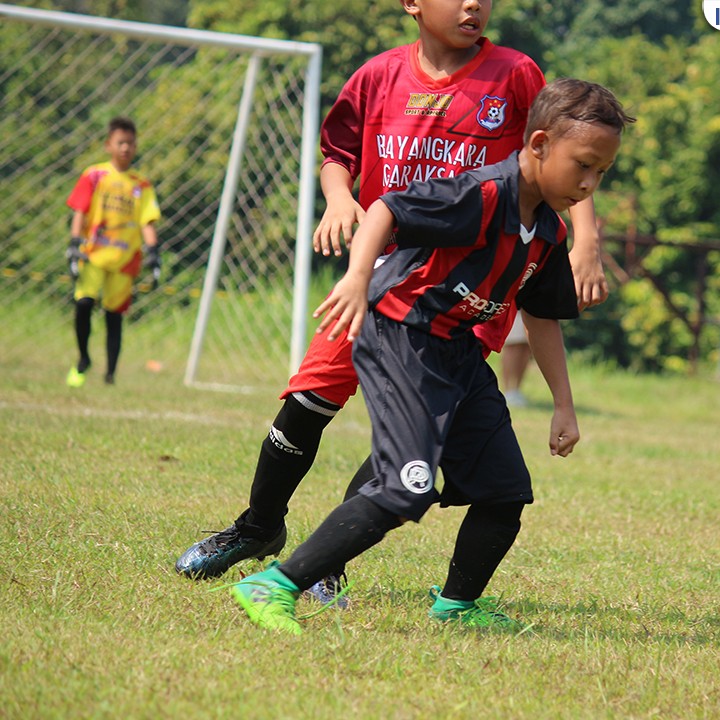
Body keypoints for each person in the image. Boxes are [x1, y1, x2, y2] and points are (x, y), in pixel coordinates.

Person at [174, 0, 611, 605]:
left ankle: (327, 563)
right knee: (310, 400)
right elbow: (340, 159)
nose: (474, 4)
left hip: (465, 291)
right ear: (412, 3)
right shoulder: (378, 76)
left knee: (428, 448)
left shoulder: (514, 74)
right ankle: (259, 529)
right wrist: (337, 200)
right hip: (381, 274)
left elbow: (569, 147)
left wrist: (584, 238)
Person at [65, 116, 161, 387]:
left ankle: (110, 374)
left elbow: (147, 221)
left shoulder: (141, 185)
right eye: (121, 143)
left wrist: (153, 252)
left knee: (114, 316)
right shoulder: (94, 175)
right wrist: (74, 243)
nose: (126, 148)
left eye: (130, 143)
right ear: (109, 145)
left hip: (124, 259)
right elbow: (80, 209)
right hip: (93, 254)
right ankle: (83, 358)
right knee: (83, 304)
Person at [501, 313, 532, 407]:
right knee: (512, 347)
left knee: (526, 348)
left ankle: (516, 390)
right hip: (514, 309)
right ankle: (508, 391)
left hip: (530, 310)